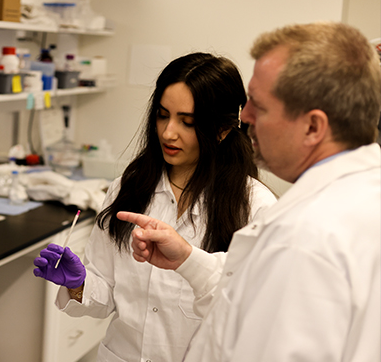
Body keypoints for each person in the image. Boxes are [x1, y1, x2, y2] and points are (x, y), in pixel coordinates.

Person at [123, 22, 381, 361]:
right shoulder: (359, 196)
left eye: (259, 105)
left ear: (313, 126)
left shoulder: (307, 238)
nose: (244, 117)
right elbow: (243, 293)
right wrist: (188, 260)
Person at [34, 53, 277, 361]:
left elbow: (252, 314)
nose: (168, 132)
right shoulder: (131, 186)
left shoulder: (254, 207)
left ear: (222, 129)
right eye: (163, 115)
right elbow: (106, 295)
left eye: (187, 122)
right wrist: (79, 283)